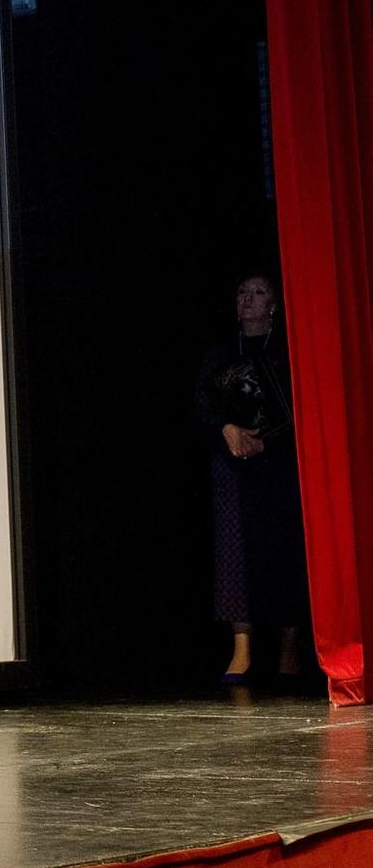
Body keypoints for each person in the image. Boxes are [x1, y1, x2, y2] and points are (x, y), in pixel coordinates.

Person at [193, 273, 307, 683]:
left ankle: (289, 647)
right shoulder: (220, 354)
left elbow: (302, 407)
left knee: (283, 549)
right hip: (231, 463)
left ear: (273, 304)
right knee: (234, 552)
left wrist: (266, 443)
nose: (248, 299)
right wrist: (225, 429)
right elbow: (201, 405)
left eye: (259, 293)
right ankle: (241, 647)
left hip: (279, 462)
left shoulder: (286, 350)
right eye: (242, 292)